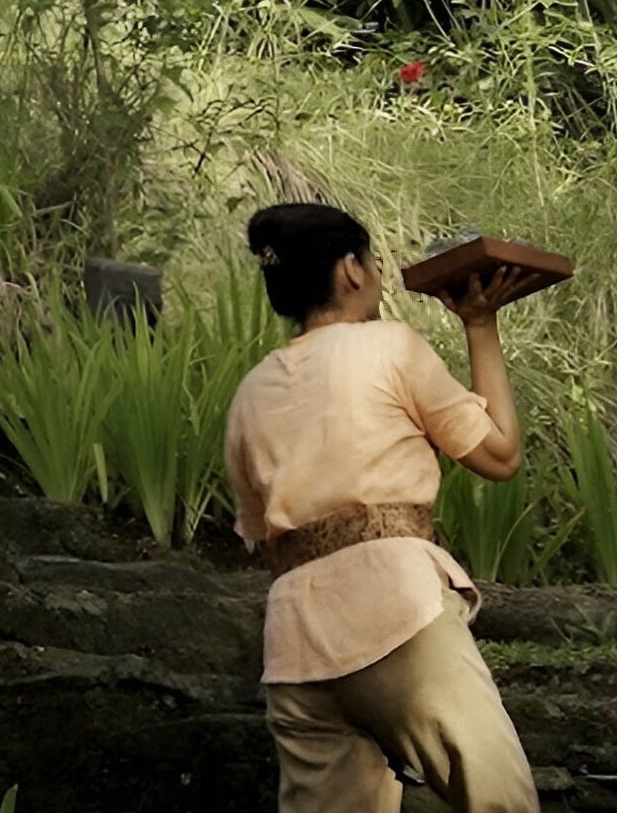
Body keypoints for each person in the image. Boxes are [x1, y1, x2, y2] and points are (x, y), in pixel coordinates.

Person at [224, 201, 551, 813]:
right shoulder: (390, 348)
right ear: (351, 270)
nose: (375, 272)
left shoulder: (249, 394)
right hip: (393, 615)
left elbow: (258, 534)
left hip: (295, 646)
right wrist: (480, 325)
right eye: (371, 261)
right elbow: (501, 456)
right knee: (499, 800)